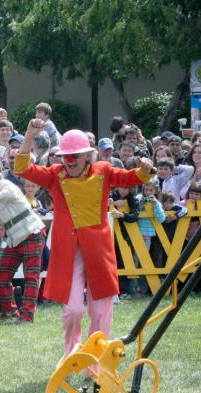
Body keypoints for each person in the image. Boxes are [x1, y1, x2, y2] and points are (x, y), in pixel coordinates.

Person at [14, 119, 154, 361]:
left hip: (98, 250)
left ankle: (95, 359)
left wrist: (145, 168)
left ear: (87, 156)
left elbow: (132, 178)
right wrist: (29, 135)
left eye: (75, 155)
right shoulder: (54, 175)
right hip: (68, 251)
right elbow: (23, 168)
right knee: (73, 311)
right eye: (66, 156)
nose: (70, 161)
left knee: (100, 312)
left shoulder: (104, 170)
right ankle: (72, 356)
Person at [0, 165, 46, 322]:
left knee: (30, 276)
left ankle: (27, 315)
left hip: (32, 232)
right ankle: (9, 311)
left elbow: (12, 193)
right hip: (15, 238)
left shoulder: (3, 183)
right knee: (1, 276)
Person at [134, 181, 165, 295]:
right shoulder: (138, 198)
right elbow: (134, 213)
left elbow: (161, 219)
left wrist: (156, 204)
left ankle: (142, 289)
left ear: (155, 192)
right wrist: (140, 205)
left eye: (151, 190)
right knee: (134, 261)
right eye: (146, 190)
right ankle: (134, 287)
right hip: (134, 233)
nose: (148, 193)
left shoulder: (157, 202)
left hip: (147, 235)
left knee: (143, 261)